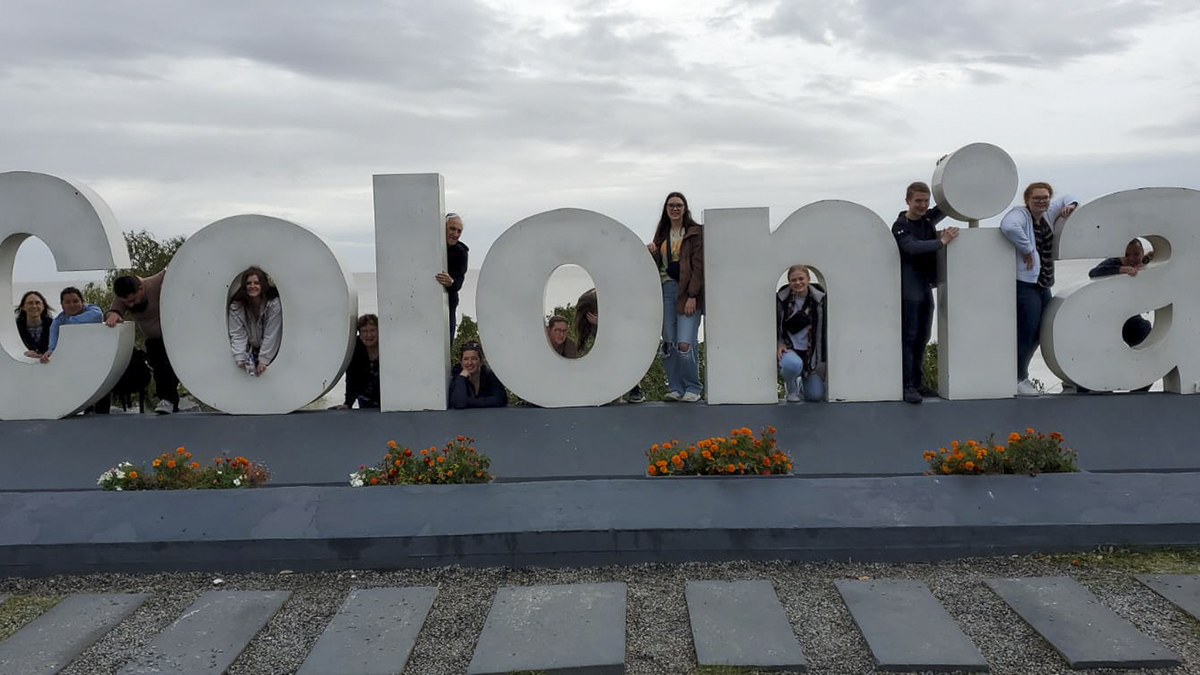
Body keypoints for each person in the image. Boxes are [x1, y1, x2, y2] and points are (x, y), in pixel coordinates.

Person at [999, 182, 1078, 396]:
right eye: (1036, 198)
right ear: (1027, 199)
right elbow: (1008, 226)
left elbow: (1067, 196)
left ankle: (1020, 375)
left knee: (1042, 330)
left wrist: (1071, 205)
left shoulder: (1047, 214)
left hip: (1043, 283)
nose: (1042, 201)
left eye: (1045, 197)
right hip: (1025, 284)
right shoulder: (1021, 215)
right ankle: (1017, 377)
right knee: (1028, 331)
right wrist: (1027, 247)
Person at [892, 181, 959, 404]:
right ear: (907, 201)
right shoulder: (900, 225)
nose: (922, 205)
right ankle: (906, 385)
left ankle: (918, 382)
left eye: (925, 201)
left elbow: (945, 204)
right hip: (908, 290)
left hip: (924, 289)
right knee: (909, 338)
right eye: (917, 201)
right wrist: (941, 241)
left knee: (923, 337)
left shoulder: (927, 219)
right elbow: (911, 247)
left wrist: (949, 172)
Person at [648, 192, 704, 402]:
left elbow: (698, 267)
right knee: (669, 343)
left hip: (687, 292)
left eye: (679, 205)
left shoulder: (694, 232)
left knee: (684, 344)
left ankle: (693, 387)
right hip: (665, 290)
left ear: (685, 208)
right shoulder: (661, 233)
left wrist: (692, 295)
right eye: (671, 205)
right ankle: (675, 387)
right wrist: (652, 251)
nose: (675, 209)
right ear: (666, 208)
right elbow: (657, 265)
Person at [1082, 238, 1153, 393]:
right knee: (1106, 350)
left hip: (1130, 316)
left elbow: (1151, 260)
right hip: (1108, 318)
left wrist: (1147, 259)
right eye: (1127, 255)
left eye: (1136, 254)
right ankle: (1098, 385)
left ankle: (1141, 385)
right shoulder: (1113, 263)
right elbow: (1093, 272)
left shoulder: (1141, 263)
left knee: (1148, 335)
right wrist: (1121, 269)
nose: (1132, 259)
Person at [105, 271, 180, 414]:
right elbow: (113, 310)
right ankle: (167, 399)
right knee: (159, 360)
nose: (131, 304)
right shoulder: (122, 299)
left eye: (133, 300)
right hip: (155, 340)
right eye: (127, 303)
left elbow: (174, 269)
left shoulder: (155, 282)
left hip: (177, 335)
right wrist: (112, 315)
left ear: (141, 288)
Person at [44, 287, 110, 413]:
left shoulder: (92, 310)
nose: (72, 305)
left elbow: (97, 316)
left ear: (82, 302)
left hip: (97, 358)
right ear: (62, 305)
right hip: (77, 361)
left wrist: (71, 321)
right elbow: (53, 342)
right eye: (67, 302)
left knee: (102, 387)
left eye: (75, 301)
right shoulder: (58, 321)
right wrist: (50, 351)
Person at [571, 288, 644, 402]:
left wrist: (603, 322)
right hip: (608, 343)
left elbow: (621, 333)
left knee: (624, 358)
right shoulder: (589, 320)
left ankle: (635, 389)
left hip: (621, 340)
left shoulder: (611, 307)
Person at [776, 265, 827, 402]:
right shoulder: (782, 300)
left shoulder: (819, 301)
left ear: (808, 279)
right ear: (789, 282)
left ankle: (801, 383)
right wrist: (779, 343)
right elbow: (774, 324)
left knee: (815, 396)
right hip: (790, 348)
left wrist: (822, 360)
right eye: (793, 280)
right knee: (792, 364)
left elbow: (823, 331)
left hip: (811, 353)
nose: (798, 283)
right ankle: (791, 387)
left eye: (801, 279)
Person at [227, 266, 283, 377]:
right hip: (252, 351)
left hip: (273, 352)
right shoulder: (237, 307)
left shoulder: (273, 304)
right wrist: (240, 358)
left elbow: (272, 333)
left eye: (256, 283)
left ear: (263, 285)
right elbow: (238, 334)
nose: (252, 286)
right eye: (248, 283)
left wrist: (263, 360)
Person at [335, 314, 381, 409]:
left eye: (372, 330)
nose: (369, 335)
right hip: (366, 398)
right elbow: (351, 377)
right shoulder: (355, 348)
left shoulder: (386, 345)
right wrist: (348, 403)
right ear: (359, 333)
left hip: (387, 398)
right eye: (364, 331)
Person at [436, 213, 469, 341]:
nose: (455, 234)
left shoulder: (461, 252)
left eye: (459, 231)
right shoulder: (431, 246)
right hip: (428, 302)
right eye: (452, 228)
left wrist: (450, 282)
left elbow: (459, 281)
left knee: (446, 342)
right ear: (443, 227)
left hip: (448, 303)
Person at [448, 342, 507, 408]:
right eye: (466, 359)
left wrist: (468, 402)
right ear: (461, 363)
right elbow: (459, 403)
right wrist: (462, 378)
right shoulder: (457, 380)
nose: (469, 363)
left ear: (481, 362)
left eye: (473, 358)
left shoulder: (490, 377)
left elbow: (500, 400)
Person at [14, 290, 54, 358]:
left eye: (37, 303)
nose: (34, 306)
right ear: (23, 307)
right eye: (30, 303)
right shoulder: (14, 328)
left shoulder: (53, 325)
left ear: (43, 307)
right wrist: (23, 353)